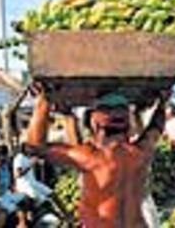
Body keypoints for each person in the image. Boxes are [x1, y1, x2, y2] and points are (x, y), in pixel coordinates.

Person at [26, 83, 167, 228]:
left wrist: (44, 100)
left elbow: (34, 147)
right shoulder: (140, 153)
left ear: (95, 124)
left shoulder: (93, 158)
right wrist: (162, 102)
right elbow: (156, 127)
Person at [0, 145, 29, 228]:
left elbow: (8, 182)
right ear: (1, 156)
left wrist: (13, 189)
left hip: (5, 193)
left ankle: (24, 223)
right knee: (14, 211)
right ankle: (22, 224)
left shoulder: (5, 166)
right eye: (6, 154)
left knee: (25, 197)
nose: (8, 156)